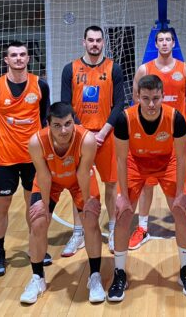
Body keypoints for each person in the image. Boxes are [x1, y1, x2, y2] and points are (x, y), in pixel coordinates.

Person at [108, 75, 186, 302]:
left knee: (181, 211)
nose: (150, 104)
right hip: (135, 163)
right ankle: (119, 273)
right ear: (137, 97)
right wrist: (122, 195)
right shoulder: (124, 119)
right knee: (123, 214)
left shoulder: (175, 117)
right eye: (145, 98)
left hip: (167, 162)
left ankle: (185, 269)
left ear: (163, 96)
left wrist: (181, 193)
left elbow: (181, 157)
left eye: (156, 98)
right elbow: (120, 159)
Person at [21, 102, 106, 305]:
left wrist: (87, 202)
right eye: (57, 125)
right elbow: (43, 176)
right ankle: (37, 278)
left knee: (90, 221)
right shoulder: (36, 142)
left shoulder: (87, 139)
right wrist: (43, 206)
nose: (64, 130)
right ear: (48, 124)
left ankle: (95, 276)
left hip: (79, 180)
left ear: (73, 121)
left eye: (68, 124)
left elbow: (83, 173)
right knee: (38, 222)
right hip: (50, 180)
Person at [0, 41, 51, 277]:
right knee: (2, 205)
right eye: (14, 55)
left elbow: (45, 118)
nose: (19, 58)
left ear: (28, 58)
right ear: (6, 60)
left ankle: (36, 246)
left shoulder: (40, 85)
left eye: (22, 54)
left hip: (33, 158)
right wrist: (5, 140)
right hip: (4, 158)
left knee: (34, 204)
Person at [130, 27, 186, 249]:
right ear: (155, 44)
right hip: (150, 134)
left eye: (168, 39)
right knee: (146, 182)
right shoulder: (144, 69)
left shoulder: (185, 69)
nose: (164, 43)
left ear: (173, 43)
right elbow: (136, 97)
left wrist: (173, 118)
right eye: (160, 39)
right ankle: (142, 228)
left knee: (185, 181)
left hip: (177, 135)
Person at [60, 25, 124, 256]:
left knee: (111, 184)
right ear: (84, 42)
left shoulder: (114, 68)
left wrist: (103, 132)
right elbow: (65, 104)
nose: (94, 44)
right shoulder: (70, 69)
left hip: (106, 135)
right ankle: (78, 233)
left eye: (98, 40)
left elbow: (119, 104)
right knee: (79, 186)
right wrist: (83, 133)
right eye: (91, 40)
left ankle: (114, 230)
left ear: (103, 42)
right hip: (79, 137)